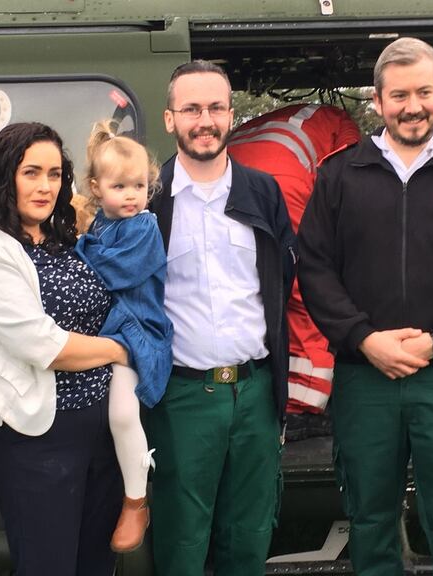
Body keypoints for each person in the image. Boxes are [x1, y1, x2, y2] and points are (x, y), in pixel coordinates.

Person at [297, 37, 433, 576]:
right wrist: (363, 339)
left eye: (424, 92)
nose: (412, 105)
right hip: (365, 379)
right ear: (376, 101)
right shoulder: (338, 176)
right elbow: (315, 268)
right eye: (399, 95)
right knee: (371, 526)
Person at [0, 122, 128, 575]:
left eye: (54, 174)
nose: (46, 186)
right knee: (46, 566)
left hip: (103, 429)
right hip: (40, 437)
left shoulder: (66, 242)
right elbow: (42, 345)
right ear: (4, 176)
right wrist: (121, 349)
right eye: (32, 172)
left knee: (96, 565)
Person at [147, 60, 296, 575]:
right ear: (170, 119)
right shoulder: (148, 201)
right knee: (181, 539)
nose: (204, 120)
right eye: (191, 109)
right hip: (182, 397)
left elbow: (283, 282)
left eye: (215, 108)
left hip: (254, 393)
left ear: (231, 115)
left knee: (250, 535)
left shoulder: (263, 192)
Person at [227, 103, 362, 440]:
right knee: (306, 290)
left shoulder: (274, 121)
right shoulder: (344, 126)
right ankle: (301, 409)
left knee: (262, 284)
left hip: (233, 176)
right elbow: (351, 184)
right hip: (282, 181)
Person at [75, 120, 174, 552]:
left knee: (122, 415)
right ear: (96, 188)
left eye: (139, 185)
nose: (132, 195)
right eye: (120, 187)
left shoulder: (144, 227)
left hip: (136, 332)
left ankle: (137, 500)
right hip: (107, 332)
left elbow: (112, 272)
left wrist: (75, 249)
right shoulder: (98, 226)